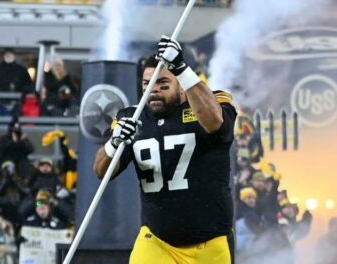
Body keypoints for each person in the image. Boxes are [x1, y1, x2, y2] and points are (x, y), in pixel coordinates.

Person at [93, 37, 237, 262]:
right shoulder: (132, 117)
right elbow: (102, 171)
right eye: (147, 84)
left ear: (181, 85)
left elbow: (215, 122)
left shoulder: (209, 103)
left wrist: (181, 68)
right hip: (157, 239)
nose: (154, 90)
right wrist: (114, 143)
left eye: (163, 84)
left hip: (210, 242)